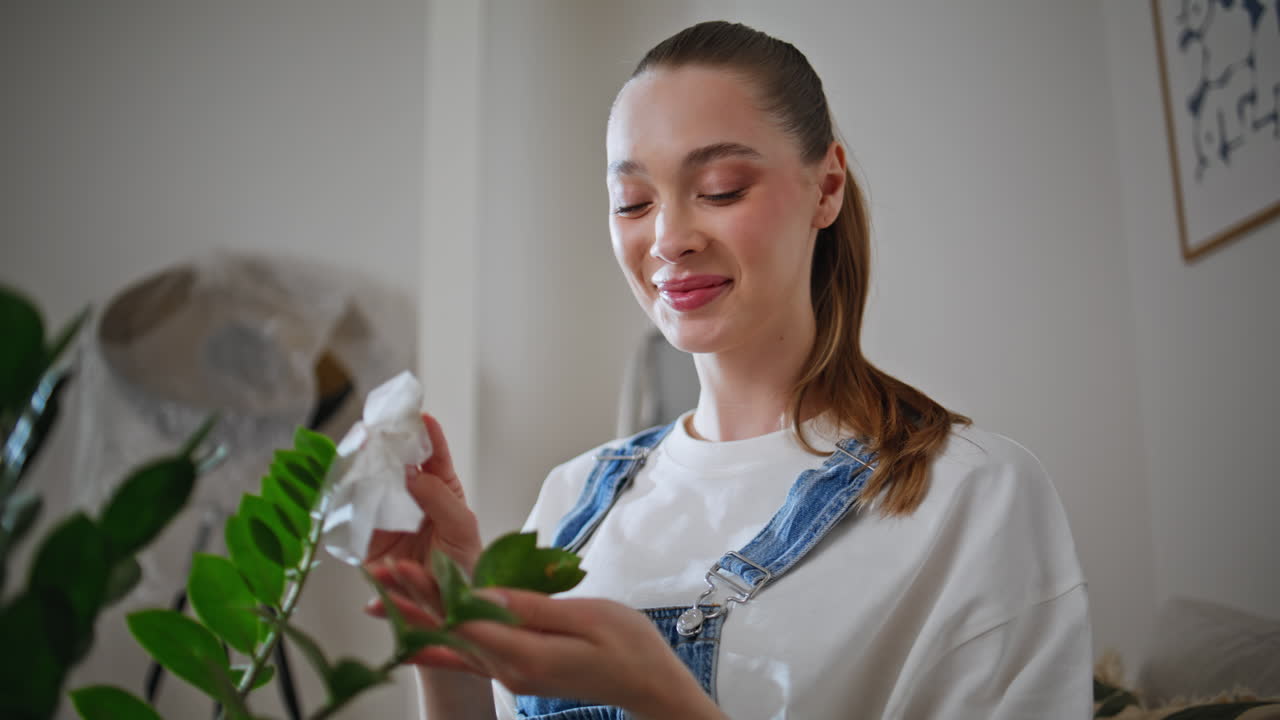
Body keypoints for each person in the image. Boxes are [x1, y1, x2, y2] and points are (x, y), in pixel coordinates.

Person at [365, 20, 1091, 720]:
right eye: (633, 202)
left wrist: (666, 701)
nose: (669, 239)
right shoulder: (571, 501)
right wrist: (443, 628)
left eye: (720, 189)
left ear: (827, 186)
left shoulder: (970, 497)